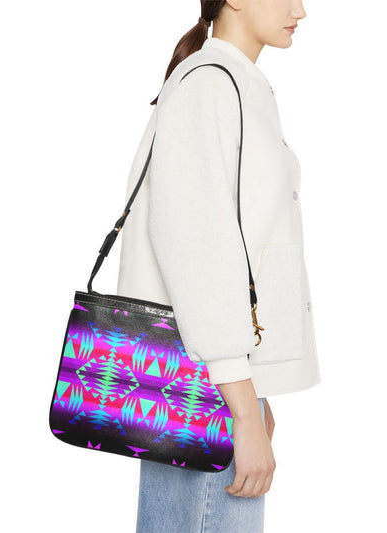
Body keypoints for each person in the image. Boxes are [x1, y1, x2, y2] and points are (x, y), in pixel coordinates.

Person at [116, 1, 321, 531]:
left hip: (217, 373)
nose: (300, 10)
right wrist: (243, 410)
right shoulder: (209, 86)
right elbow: (198, 252)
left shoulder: (234, 83)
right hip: (203, 380)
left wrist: (254, 392)